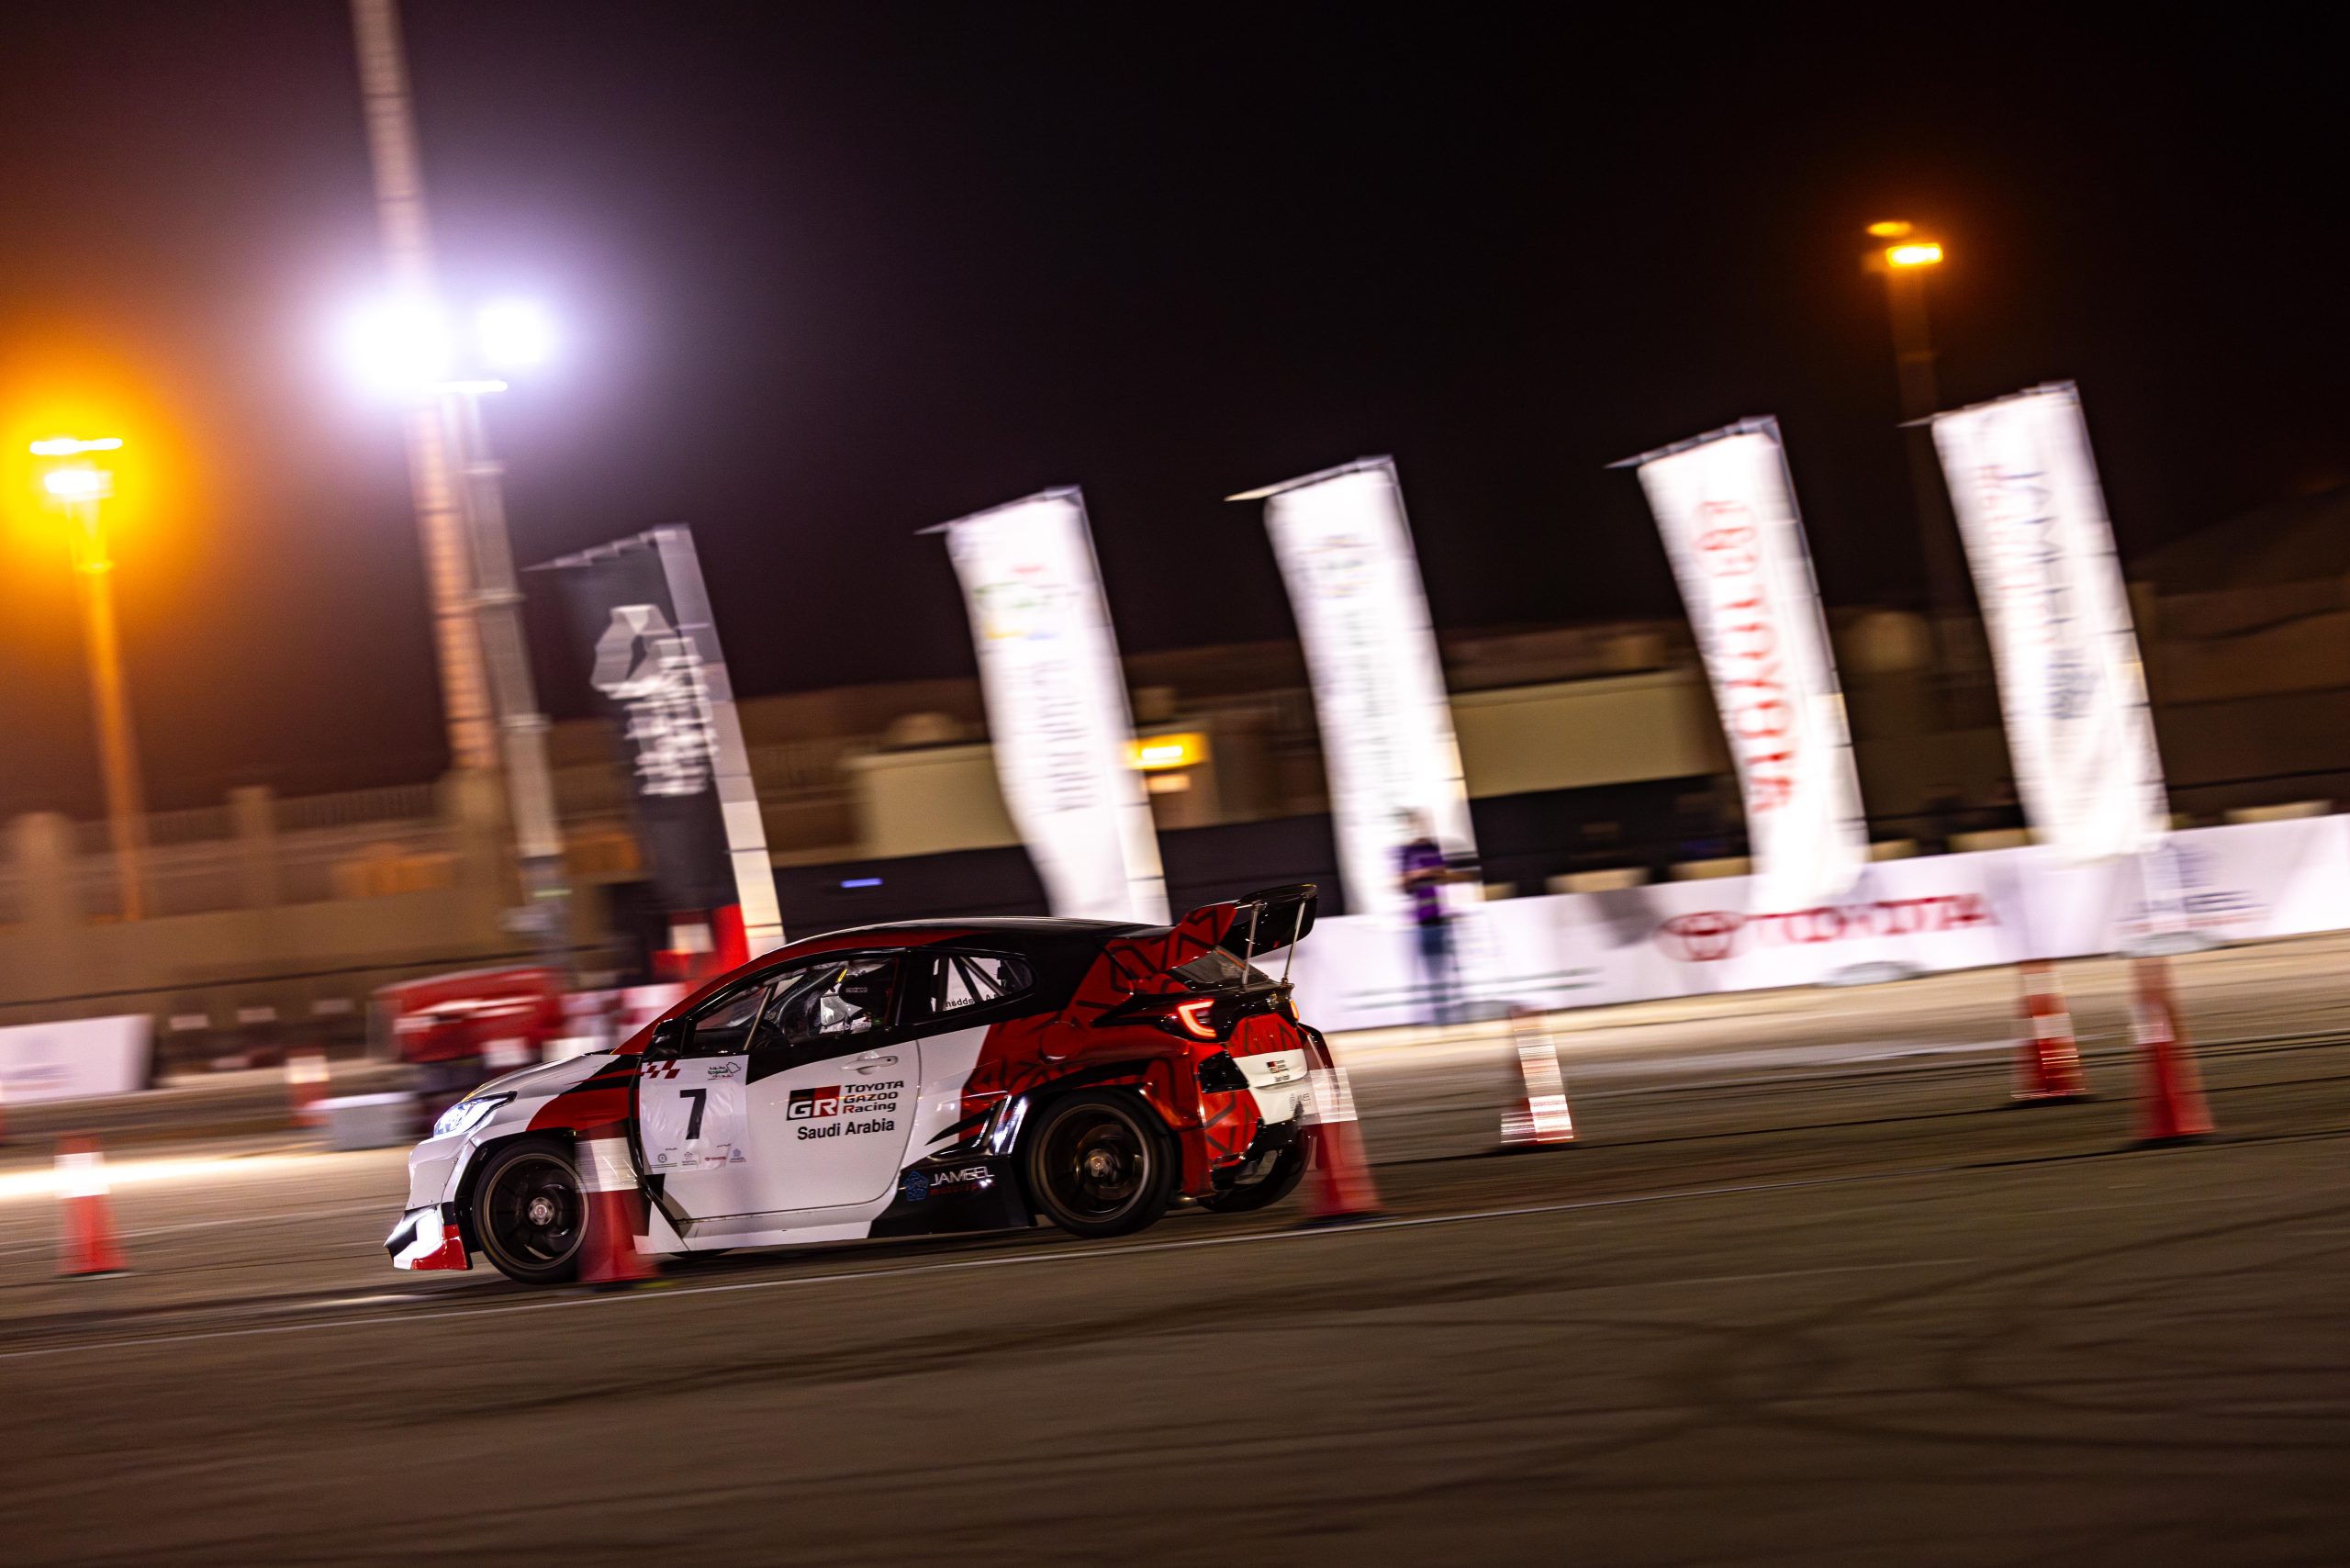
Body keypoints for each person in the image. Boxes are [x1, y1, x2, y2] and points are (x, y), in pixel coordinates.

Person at [1395, 812, 1475, 1025]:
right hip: (1422, 921)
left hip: (1441, 919)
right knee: (1430, 972)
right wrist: (1418, 875)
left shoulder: (1435, 848)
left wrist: (1433, 873)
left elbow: (1456, 875)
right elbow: (1402, 884)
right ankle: (1437, 1015)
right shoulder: (1407, 853)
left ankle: (1453, 1013)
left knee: (1448, 970)